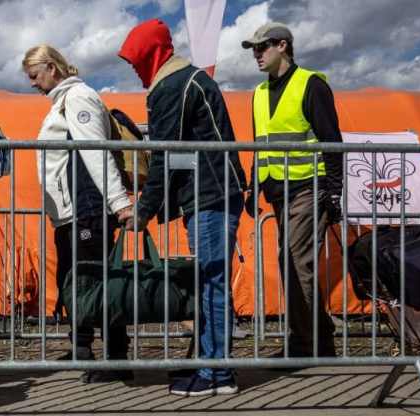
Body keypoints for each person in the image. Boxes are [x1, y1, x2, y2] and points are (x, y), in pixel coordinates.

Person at [119, 19, 247, 396]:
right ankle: (210, 364)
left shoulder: (172, 86)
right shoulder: (185, 80)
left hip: (209, 195)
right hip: (215, 192)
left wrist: (143, 211)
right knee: (210, 282)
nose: (133, 68)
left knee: (212, 282)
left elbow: (164, 155)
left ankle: (217, 374)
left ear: (151, 54)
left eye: (135, 60)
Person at [22, 44, 133, 383]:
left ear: (52, 68)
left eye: (35, 76)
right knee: (78, 284)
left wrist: (118, 202)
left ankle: (116, 359)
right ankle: (84, 348)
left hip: (87, 208)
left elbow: (96, 153)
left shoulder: (78, 98)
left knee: (97, 285)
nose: (32, 83)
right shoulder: (63, 101)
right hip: (72, 212)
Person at [241, 22, 342, 358]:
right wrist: (253, 187)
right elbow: (261, 145)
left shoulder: (309, 84)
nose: (256, 54)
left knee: (296, 261)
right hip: (279, 192)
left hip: (309, 188)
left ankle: (305, 344)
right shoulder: (257, 94)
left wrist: (336, 190)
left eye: (262, 47)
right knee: (292, 262)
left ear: (282, 46)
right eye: (254, 49)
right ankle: (319, 336)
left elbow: (331, 140)